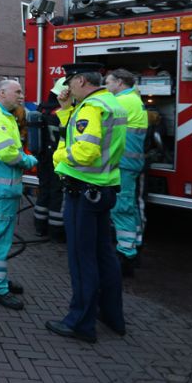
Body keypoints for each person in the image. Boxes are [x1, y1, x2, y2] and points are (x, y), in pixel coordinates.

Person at [46, 62, 127, 343]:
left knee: (82, 260)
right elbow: (85, 136)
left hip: (84, 192)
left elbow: (85, 151)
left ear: (80, 80)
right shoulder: (110, 102)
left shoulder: (92, 108)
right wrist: (66, 108)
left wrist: (57, 156)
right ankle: (112, 315)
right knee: (105, 255)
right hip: (103, 189)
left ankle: (80, 323)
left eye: (68, 83)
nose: (66, 89)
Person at [0, 79, 38, 310]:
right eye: (18, 92)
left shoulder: (3, 115)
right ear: (2, 93)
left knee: (2, 238)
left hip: (4, 188)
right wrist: (30, 160)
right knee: (0, 238)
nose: (21, 96)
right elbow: (8, 154)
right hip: (0, 190)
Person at [105, 68, 149, 276]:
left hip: (123, 163)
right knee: (130, 206)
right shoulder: (134, 99)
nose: (106, 86)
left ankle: (126, 254)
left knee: (121, 207)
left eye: (109, 82)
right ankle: (133, 245)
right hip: (130, 163)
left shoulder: (123, 102)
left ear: (120, 82)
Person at [32, 78, 66, 241]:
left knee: (43, 191)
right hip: (57, 160)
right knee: (57, 193)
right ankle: (56, 232)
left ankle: (39, 227)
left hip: (42, 158)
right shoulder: (62, 112)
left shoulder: (42, 108)